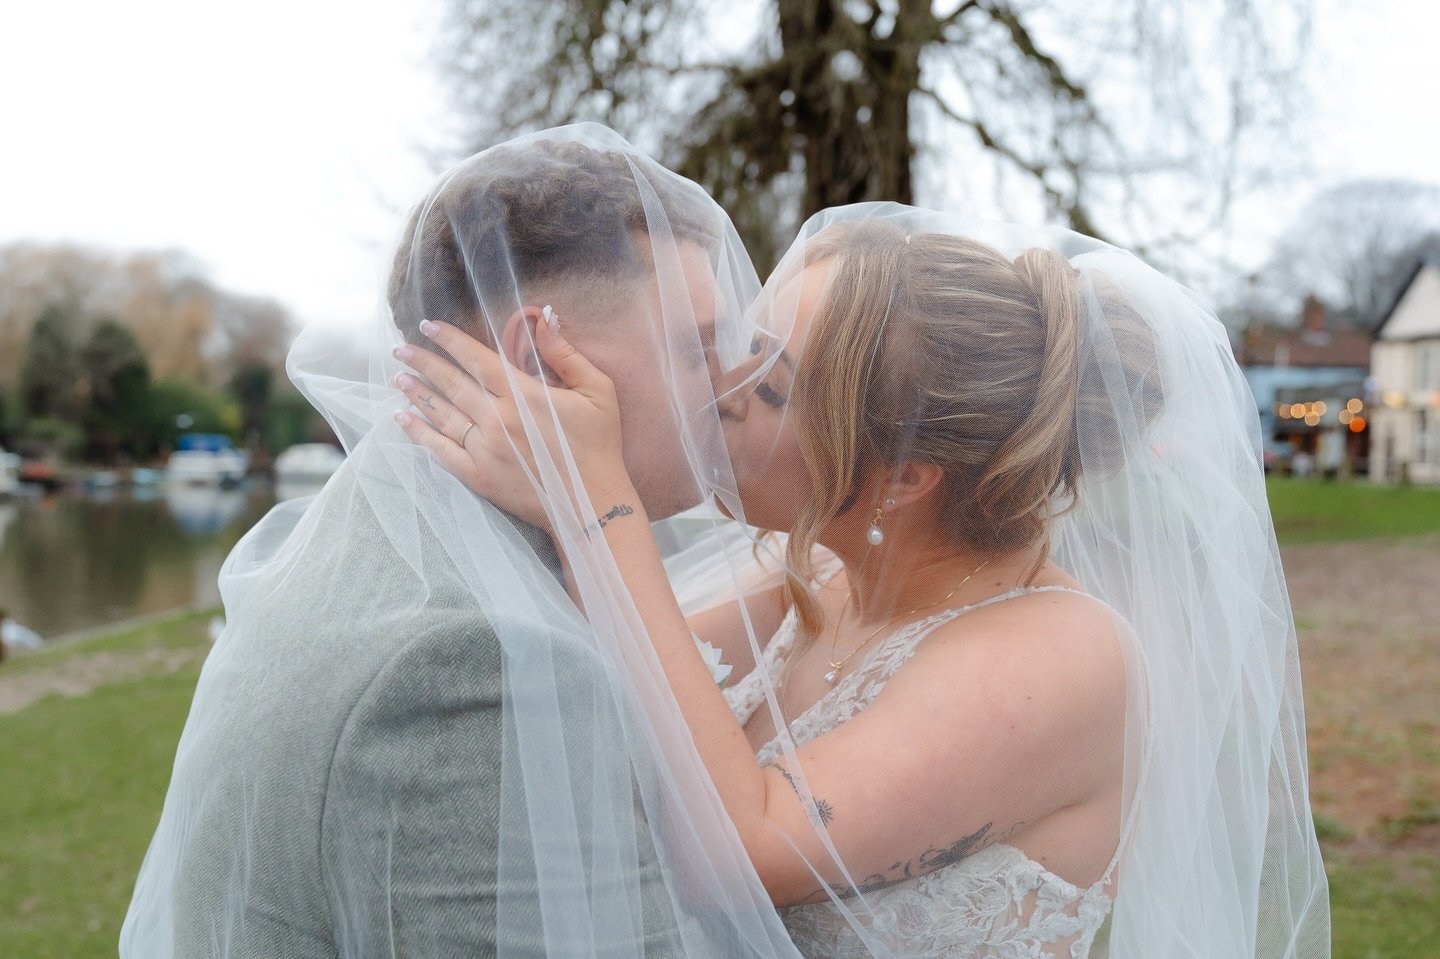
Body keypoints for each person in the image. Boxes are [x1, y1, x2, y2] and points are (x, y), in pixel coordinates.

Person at [396, 204, 1332, 956]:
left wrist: (598, 506)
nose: (720, 394)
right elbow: (589, 663)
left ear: (905, 474)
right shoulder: (811, 579)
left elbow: (740, 852)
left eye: (771, 387)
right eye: (745, 349)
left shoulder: (1062, 657)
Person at [121, 127, 798, 958]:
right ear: (541, 361)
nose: (733, 385)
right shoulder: (475, 661)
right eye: (696, 348)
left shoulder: (363, 532)